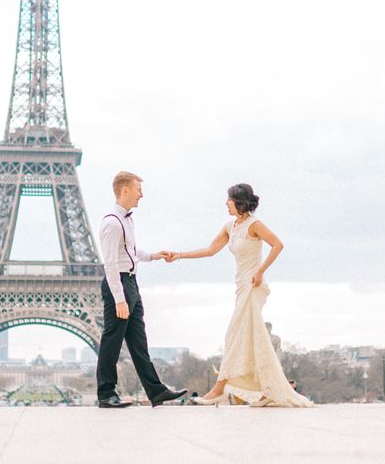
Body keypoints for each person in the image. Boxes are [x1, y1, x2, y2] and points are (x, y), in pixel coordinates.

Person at [163, 183, 312, 408]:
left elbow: (277, 245)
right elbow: (210, 250)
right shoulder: (229, 226)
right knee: (252, 340)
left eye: (229, 200)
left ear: (239, 201)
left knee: (233, 336)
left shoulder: (255, 225)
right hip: (241, 286)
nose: (226, 203)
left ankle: (219, 389)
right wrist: (179, 255)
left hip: (253, 286)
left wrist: (261, 271)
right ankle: (266, 390)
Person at [96, 171, 188, 408]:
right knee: (112, 340)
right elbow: (110, 263)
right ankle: (106, 393)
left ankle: (155, 391)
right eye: (139, 189)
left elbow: (130, 253)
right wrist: (119, 299)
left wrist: (156, 256)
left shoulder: (127, 220)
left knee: (138, 341)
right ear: (125, 190)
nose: (142, 195)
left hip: (131, 282)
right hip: (120, 285)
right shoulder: (111, 223)